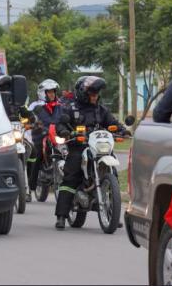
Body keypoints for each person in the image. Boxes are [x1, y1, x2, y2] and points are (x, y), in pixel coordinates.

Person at [55, 76, 123, 230]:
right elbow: (60, 123)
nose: (95, 96)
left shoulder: (101, 109)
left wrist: (122, 129)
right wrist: (65, 131)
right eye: (92, 93)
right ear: (82, 93)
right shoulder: (71, 108)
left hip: (98, 146)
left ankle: (113, 212)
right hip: (78, 146)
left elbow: (112, 122)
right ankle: (61, 215)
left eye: (96, 93)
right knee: (71, 175)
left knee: (113, 171)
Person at [28, 79, 64, 201]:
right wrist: (34, 123)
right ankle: (30, 187)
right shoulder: (36, 106)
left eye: (53, 92)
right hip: (41, 136)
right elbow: (29, 118)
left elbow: (65, 118)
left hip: (57, 135)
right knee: (37, 155)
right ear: (43, 93)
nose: (52, 94)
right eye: (49, 92)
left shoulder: (60, 106)